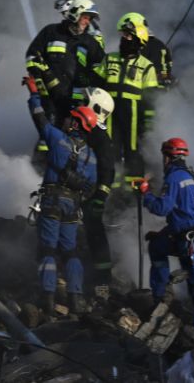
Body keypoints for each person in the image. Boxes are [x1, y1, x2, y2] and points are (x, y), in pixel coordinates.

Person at [25, 76, 99, 315]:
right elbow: (91, 187)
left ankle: (46, 298)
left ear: (76, 124)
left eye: (71, 118)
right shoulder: (92, 157)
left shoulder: (58, 139)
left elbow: (39, 117)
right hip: (73, 207)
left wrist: (34, 92)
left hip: (53, 200)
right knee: (71, 251)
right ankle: (75, 298)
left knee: (48, 249)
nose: (66, 120)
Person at [139, 138, 194, 339]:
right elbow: (186, 216)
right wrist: (162, 233)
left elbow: (162, 208)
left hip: (187, 242)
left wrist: (145, 194)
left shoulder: (173, 179)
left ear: (167, 157)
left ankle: (160, 300)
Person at [97, 13, 160, 187]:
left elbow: (151, 99)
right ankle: (111, 188)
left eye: (127, 35)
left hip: (133, 117)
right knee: (110, 151)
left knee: (133, 152)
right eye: (123, 35)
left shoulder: (147, 67)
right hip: (109, 114)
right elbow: (95, 84)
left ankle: (132, 191)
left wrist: (148, 125)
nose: (123, 39)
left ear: (138, 38)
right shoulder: (109, 59)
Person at [25, 0, 105, 130]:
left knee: (69, 140)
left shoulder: (90, 43)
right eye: (85, 17)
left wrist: (89, 82)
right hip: (48, 97)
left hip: (75, 102)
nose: (87, 22)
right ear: (75, 13)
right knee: (47, 136)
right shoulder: (51, 32)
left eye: (90, 19)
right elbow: (32, 56)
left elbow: (100, 68)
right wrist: (39, 80)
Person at [79, 87, 117, 300]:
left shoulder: (100, 137)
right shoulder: (88, 129)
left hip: (90, 194)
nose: (81, 103)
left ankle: (103, 281)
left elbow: (108, 170)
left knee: (96, 235)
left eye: (86, 101)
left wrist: (100, 197)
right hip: (79, 190)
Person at [120, 12, 174, 87]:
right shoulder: (161, 45)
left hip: (149, 91)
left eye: (126, 34)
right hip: (164, 91)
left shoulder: (139, 47)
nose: (124, 38)